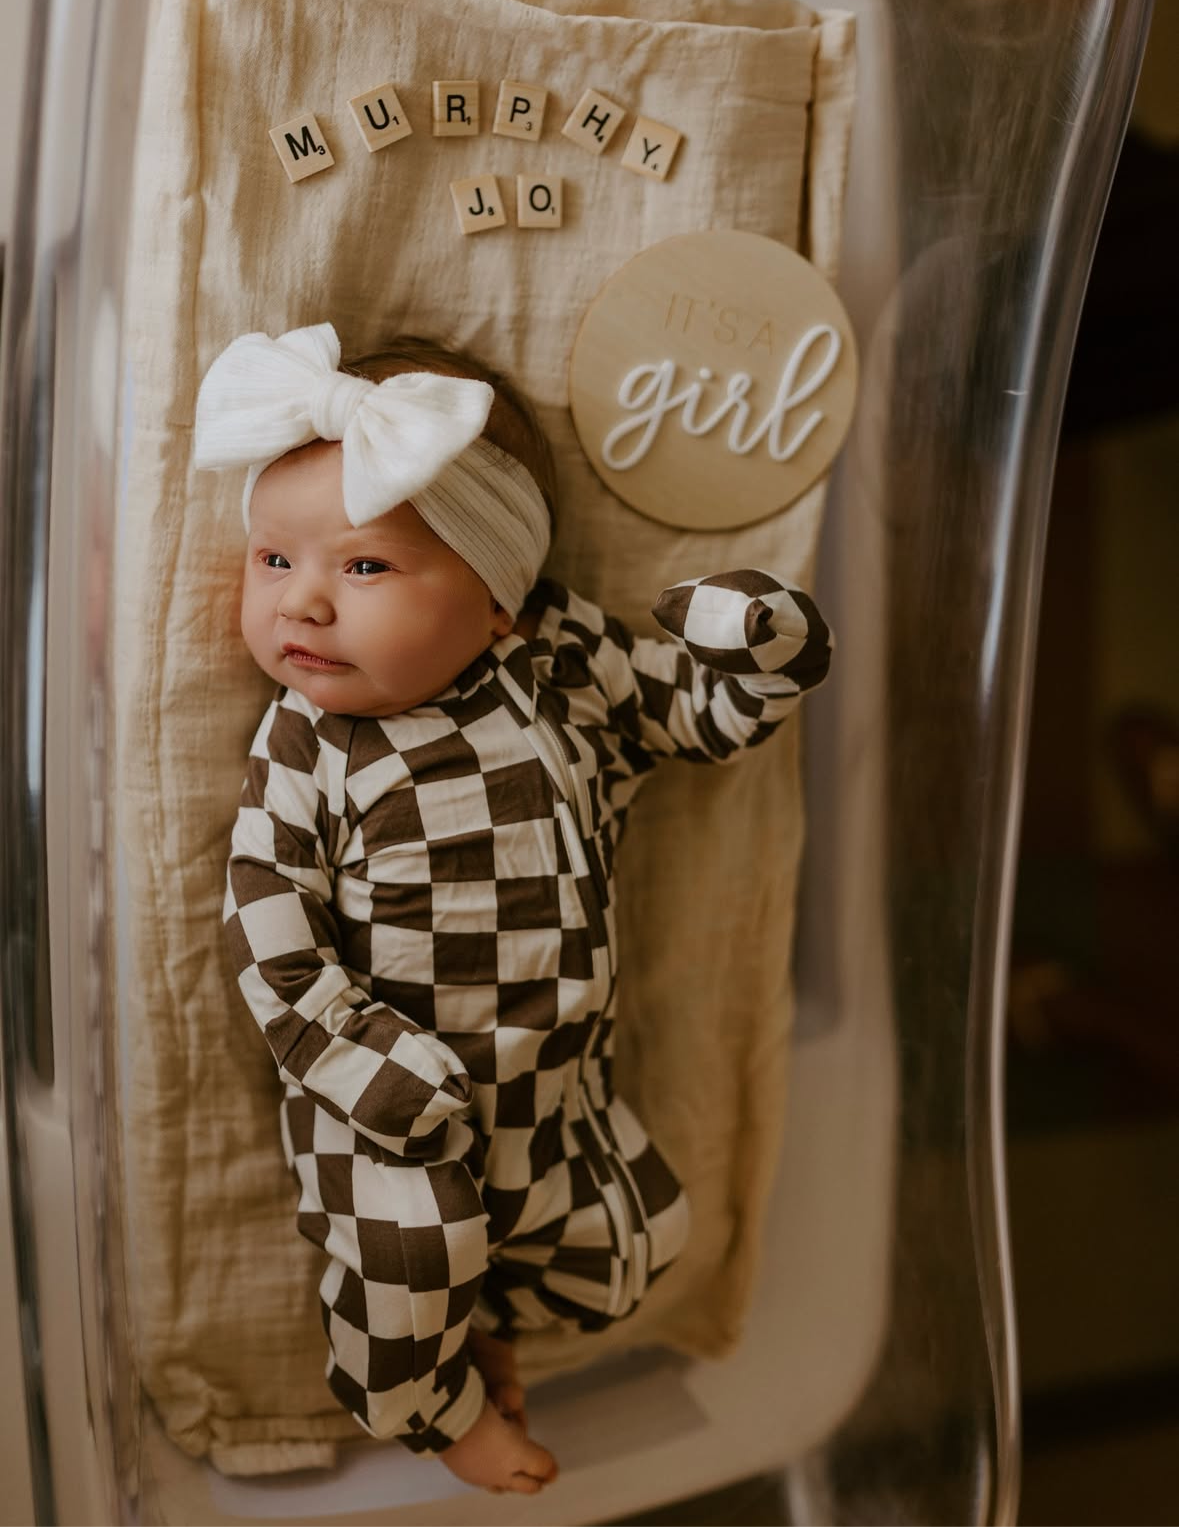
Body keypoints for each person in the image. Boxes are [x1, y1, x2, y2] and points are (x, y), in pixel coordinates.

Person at [195, 322, 832, 1495]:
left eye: (365, 566)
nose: (306, 607)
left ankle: (489, 1333)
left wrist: (762, 646)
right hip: (386, 1104)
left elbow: (688, 718)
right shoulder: (310, 742)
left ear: (498, 599)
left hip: (552, 1086)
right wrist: (363, 1059)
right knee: (414, 1254)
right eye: (274, 561)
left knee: (630, 1239)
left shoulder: (557, 661)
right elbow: (266, 913)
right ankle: (431, 1409)